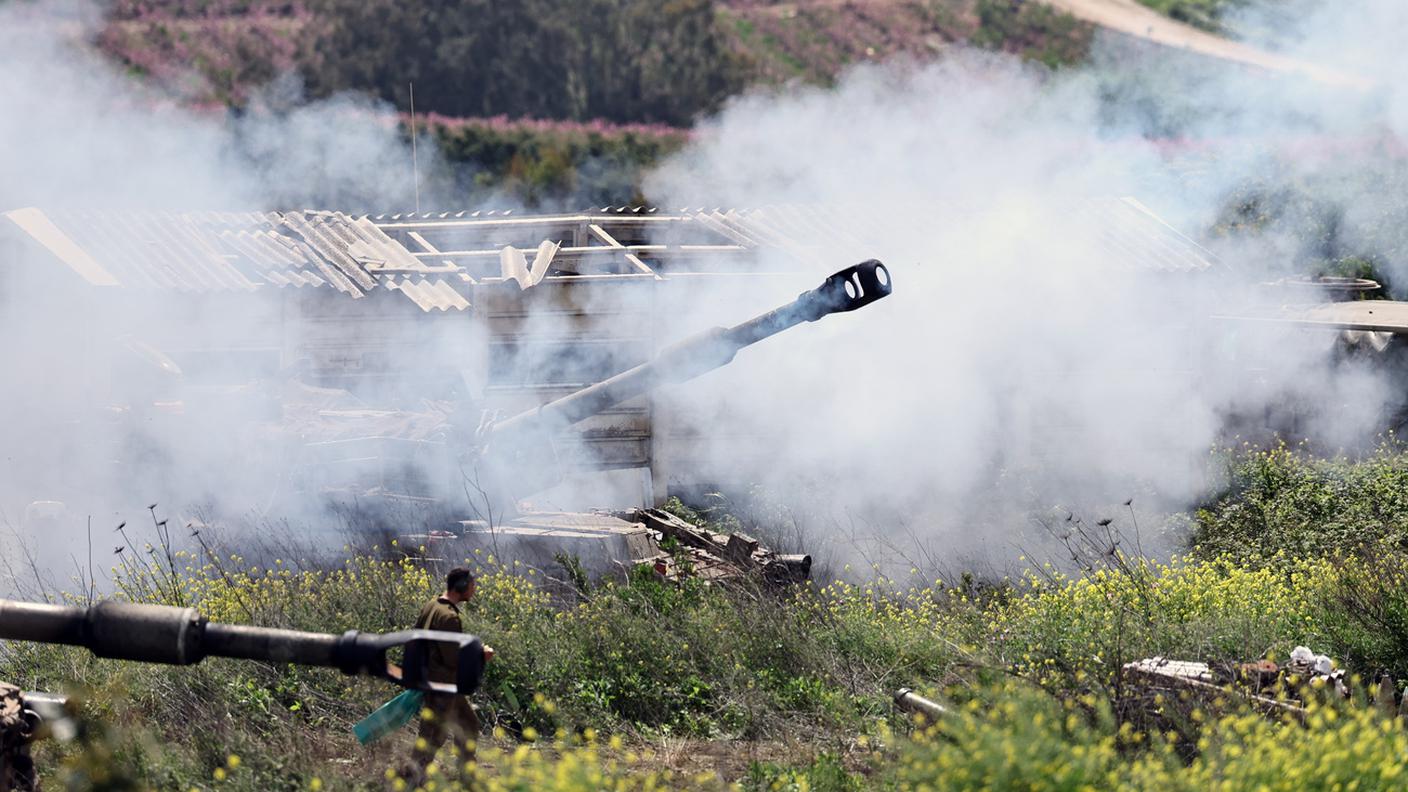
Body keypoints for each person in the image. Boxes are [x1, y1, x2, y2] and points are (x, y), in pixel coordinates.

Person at [403, 567, 494, 784]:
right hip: (442, 686)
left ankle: (466, 776)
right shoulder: (449, 617)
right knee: (434, 735)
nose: (474, 590)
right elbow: (453, 659)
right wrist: (481, 656)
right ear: (460, 587)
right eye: (471, 586)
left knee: (468, 724)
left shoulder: (432, 605)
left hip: (438, 682)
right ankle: (411, 779)